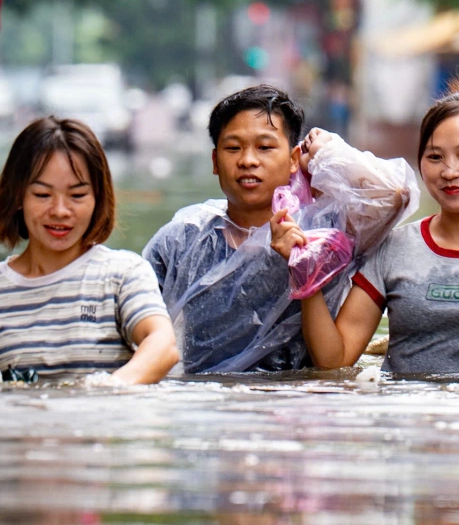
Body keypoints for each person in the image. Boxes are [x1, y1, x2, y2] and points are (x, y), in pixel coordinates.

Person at [272, 80, 459, 378]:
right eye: (434, 157)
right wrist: (307, 274)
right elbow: (334, 362)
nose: (449, 171)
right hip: (407, 421)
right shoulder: (392, 247)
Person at [143, 85, 417, 374]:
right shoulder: (182, 240)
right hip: (209, 403)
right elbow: (135, 322)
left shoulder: (324, 232)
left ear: (292, 159)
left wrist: (327, 152)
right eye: (233, 148)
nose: (248, 160)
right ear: (215, 161)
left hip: (295, 405)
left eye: (265, 147)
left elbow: (394, 194)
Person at [0, 117, 178, 383]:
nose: (60, 211)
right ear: (17, 197)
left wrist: (107, 390)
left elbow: (162, 345)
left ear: (98, 199)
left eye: (77, 195)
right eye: (42, 195)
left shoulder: (122, 276)